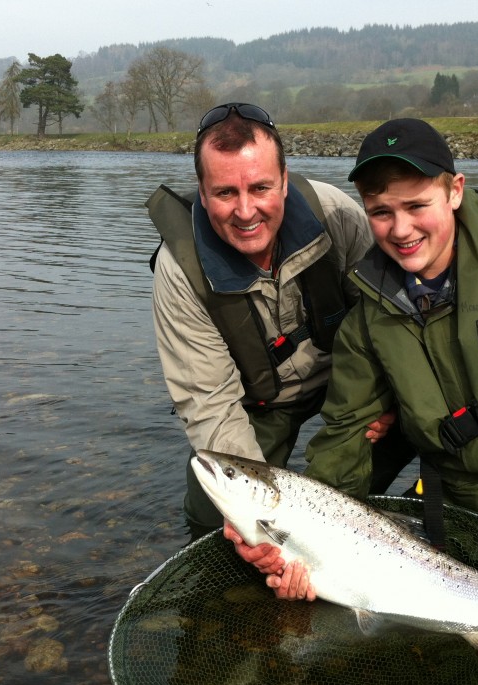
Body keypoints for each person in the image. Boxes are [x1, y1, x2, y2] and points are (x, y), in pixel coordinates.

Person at [227, 118, 478, 636]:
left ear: (455, 192)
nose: (400, 230)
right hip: (461, 515)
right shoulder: (365, 322)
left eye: (417, 206)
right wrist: (301, 546)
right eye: (380, 212)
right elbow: (342, 442)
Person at [150, 103, 414, 538]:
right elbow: (209, 403)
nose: (246, 211)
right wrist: (249, 517)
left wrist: (386, 399)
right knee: (212, 517)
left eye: (260, 188)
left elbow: (391, 320)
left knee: (357, 479)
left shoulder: (333, 214)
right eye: (225, 193)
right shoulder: (179, 271)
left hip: (347, 383)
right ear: (201, 190)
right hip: (260, 402)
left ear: (285, 181)